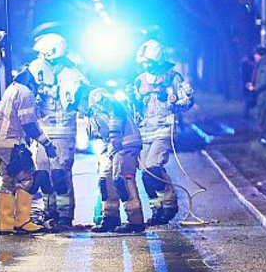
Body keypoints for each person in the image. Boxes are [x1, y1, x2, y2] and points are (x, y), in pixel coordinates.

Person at [27, 33, 87, 230]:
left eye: (44, 54)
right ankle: (49, 212)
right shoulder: (36, 68)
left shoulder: (73, 73)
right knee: (43, 173)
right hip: (43, 132)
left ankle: (64, 216)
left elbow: (79, 96)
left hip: (62, 132)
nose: (41, 58)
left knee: (60, 173)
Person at [130, 39, 193, 227]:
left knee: (153, 166)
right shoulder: (139, 80)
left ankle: (170, 204)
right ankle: (157, 209)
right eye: (143, 62)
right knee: (145, 173)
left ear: (157, 60)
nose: (145, 65)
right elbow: (135, 108)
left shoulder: (173, 78)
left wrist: (173, 103)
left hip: (163, 129)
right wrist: (132, 100)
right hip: (144, 130)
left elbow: (188, 100)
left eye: (148, 61)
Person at [69, 83, 145, 234]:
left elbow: (116, 111)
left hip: (125, 143)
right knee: (106, 181)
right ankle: (110, 218)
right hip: (111, 147)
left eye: (77, 106)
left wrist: (114, 135)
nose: (79, 110)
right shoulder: (91, 111)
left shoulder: (98, 96)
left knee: (122, 180)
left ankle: (135, 221)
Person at [0, 67, 56, 235]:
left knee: (8, 182)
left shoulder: (11, 89)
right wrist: (47, 143)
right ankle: (22, 221)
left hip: (1, 143)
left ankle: (5, 225)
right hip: (14, 145)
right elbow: (29, 124)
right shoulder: (25, 92)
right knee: (27, 179)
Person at [241, 47, 266, 119]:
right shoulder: (249, 64)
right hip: (249, 84)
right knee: (250, 100)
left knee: (251, 101)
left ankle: (247, 116)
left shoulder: (249, 63)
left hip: (250, 84)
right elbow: (246, 76)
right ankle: (247, 116)